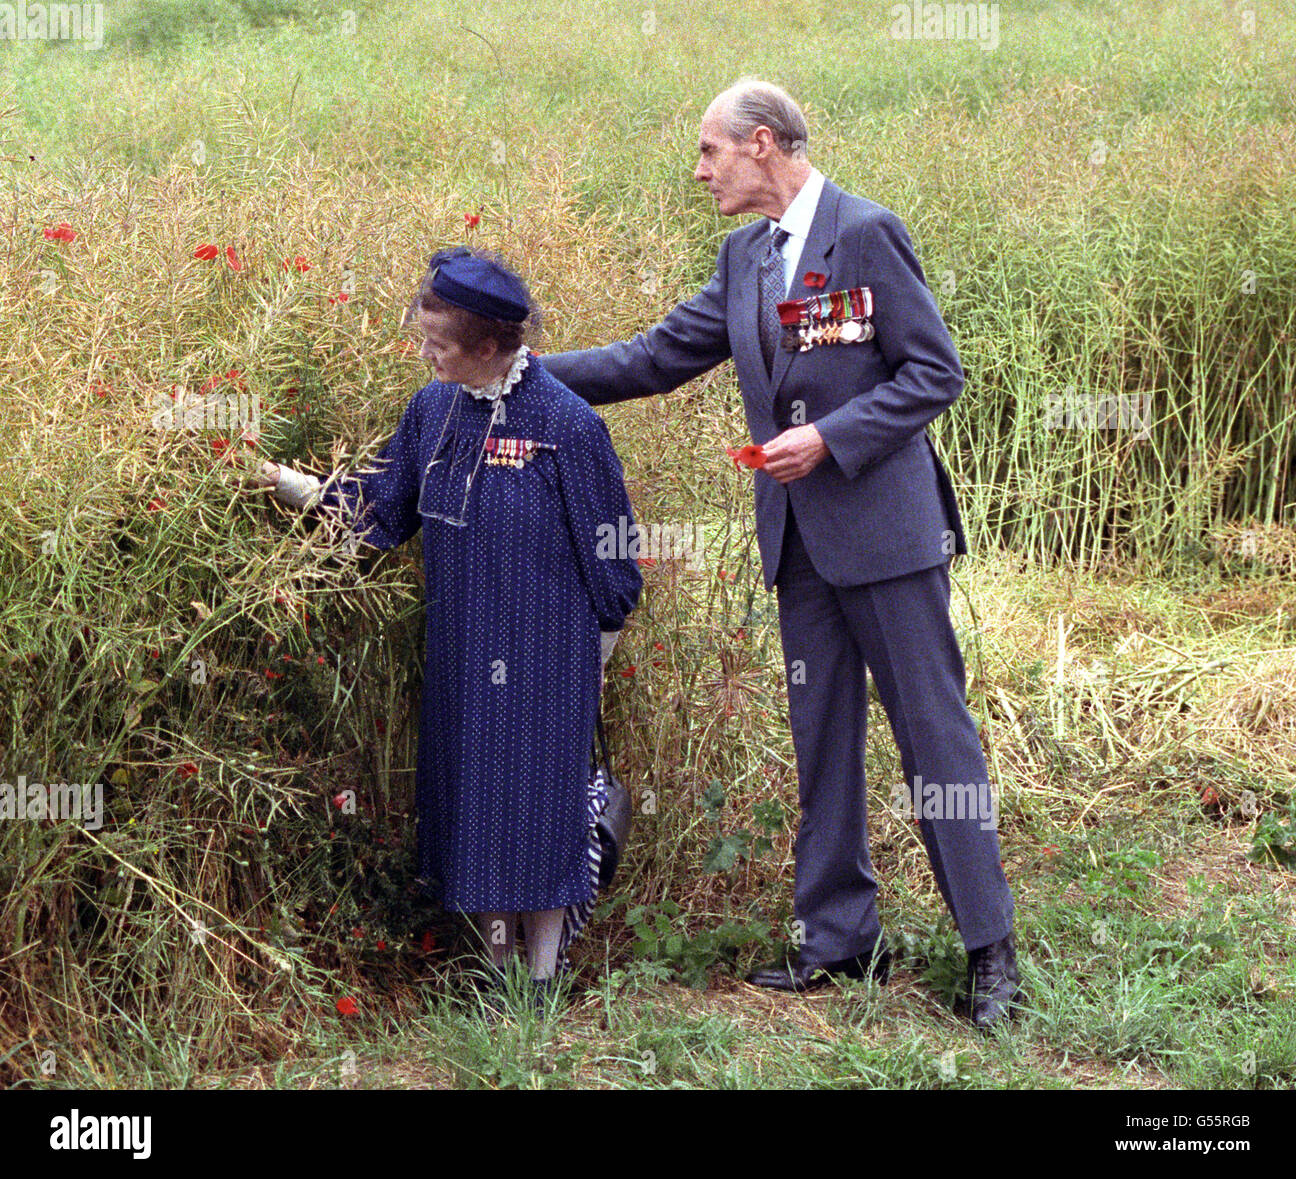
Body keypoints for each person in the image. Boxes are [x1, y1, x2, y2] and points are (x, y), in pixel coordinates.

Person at [543, 80, 1020, 1027]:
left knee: (936, 742)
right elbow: (652, 357)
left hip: (887, 540)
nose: (700, 169)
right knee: (823, 742)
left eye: (710, 150)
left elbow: (936, 372)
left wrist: (832, 437)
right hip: (798, 547)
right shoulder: (744, 258)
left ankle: (991, 953)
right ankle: (841, 939)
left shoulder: (867, 233)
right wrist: (516, 371)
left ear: (762, 145)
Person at [251, 248, 642, 1006]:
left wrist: (597, 658)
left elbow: (615, 561)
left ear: (493, 345)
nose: (423, 351)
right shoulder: (432, 410)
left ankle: (544, 976)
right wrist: (287, 485)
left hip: (547, 657)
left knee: (538, 810)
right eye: (422, 333)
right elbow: (383, 510)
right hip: (462, 653)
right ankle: (496, 977)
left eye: (438, 341)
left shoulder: (568, 423)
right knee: (476, 808)